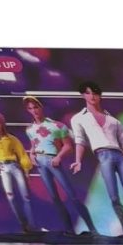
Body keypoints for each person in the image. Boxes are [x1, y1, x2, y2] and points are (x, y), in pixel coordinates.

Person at [70, 80, 123, 236]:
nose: (92, 96)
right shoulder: (78, 118)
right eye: (87, 93)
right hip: (104, 157)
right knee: (114, 197)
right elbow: (79, 140)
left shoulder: (113, 120)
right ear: (83, 95)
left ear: (100, 96)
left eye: (95, 93)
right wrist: (78, 160)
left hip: (120, 157)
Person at [22, 96, 95, 233]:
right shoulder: (29, 129)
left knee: (72, 196)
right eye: (30, 108)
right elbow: (34, 145)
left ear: (41, 107)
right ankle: (69, 230)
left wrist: (59, 156)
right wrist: (31, 154)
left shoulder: (57, 125)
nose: (34, 111)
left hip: (53, 160)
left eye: (35, 107)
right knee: (55, 198)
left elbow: (68, 146)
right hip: (40, 163)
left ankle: (92, 229)